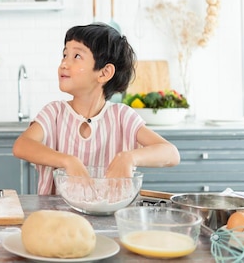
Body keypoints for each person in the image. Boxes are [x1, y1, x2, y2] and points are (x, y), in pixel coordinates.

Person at [12, 23, 180, 195]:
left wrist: (129, 157)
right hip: (58, 218)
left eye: (76, 56)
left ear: (104, 73)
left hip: (111, 216)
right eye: (64, 55)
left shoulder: (122, 117)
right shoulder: (54, 113)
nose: (64, 64)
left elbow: (171, 153)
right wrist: (68, 161)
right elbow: (21, 145)